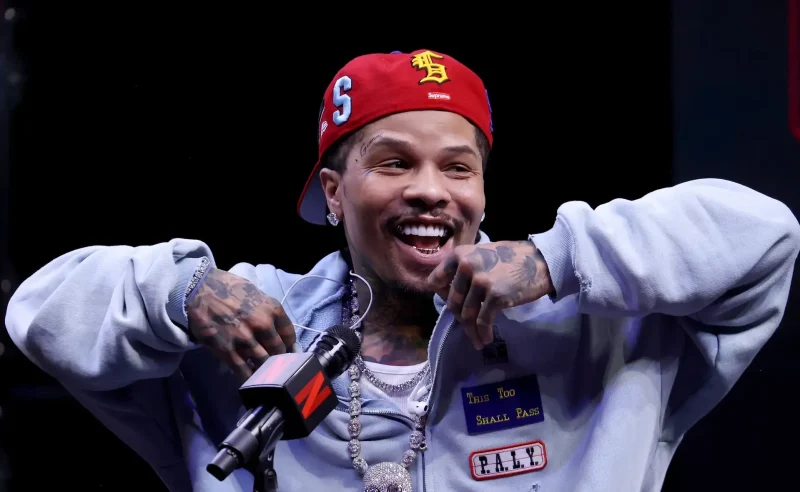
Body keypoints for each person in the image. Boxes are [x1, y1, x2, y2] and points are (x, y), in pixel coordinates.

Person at [5, 48, 800, 492]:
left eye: (457, 166)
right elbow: (40, 312)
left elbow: (764, 235)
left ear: (481, 191)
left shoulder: (595, 329)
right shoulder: (252, 327)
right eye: (393, 163)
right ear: (333, 194)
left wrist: (555, 258)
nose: (429, 189)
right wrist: (181, 291)